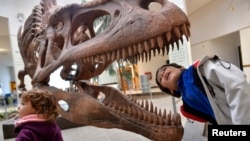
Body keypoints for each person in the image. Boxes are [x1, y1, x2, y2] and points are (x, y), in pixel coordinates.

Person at [155, 55, 250, 125]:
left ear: (179, 67)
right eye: (160, 78)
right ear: (170, 90)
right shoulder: (188, 106)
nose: (163, 73)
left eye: (164, 69)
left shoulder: (203, 67)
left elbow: (238, 87)